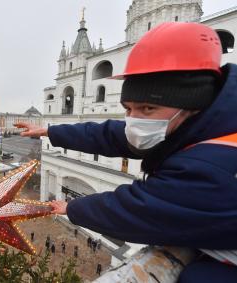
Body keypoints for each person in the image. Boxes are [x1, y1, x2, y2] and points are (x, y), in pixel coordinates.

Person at [15, 22, 237, 283]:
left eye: (147, 108)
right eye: (128, 108)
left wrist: (74, 207)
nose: (134, 120)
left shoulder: (214, 163)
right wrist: (50, 131)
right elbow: (112, 134)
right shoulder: (196, 123)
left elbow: (139, 210)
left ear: (193, 102)